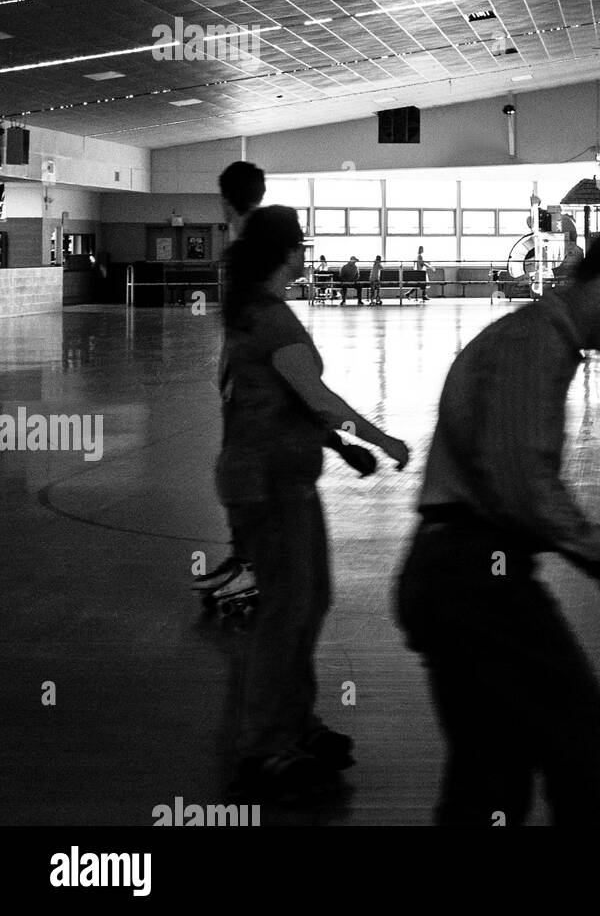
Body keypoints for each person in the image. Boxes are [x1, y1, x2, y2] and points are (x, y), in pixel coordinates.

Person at [396, 228, 600, 826]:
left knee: (490, 779)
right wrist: (596, 547)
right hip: (475, 583)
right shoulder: (535, 343)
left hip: (448, 575)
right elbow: (519, 485)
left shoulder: (530, 338)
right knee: (590, 753)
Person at [219, 207, 410, 799]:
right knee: (286, 611)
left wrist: (337, 448)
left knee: (307, 602)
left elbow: (282, 401)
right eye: (300, 246)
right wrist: (380, 439)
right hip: (268, 486)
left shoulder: (251, 314)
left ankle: (293, 722)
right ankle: (264, 746)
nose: (305, 255)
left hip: (281, 480)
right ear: (286, 253)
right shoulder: (271, 319)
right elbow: (316, 394)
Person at [192, 162, 269, 608]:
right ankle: (244, 557)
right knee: (238, 473)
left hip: (246, 379)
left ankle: (253, 565)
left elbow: (243, 322)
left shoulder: (245, 250)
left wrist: (231, 372)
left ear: (224, 201)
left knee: (241, 474)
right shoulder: (253, 243)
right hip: (245, 373)